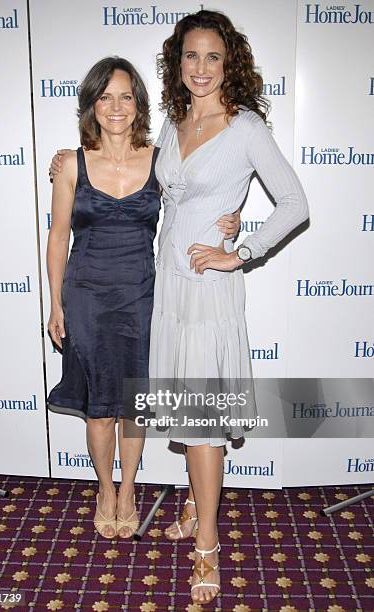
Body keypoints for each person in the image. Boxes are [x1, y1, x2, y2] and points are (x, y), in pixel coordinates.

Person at [148, 9, 309, 605]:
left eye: (213, 56)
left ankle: (208, 546)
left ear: (229, 62)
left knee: (202, 423)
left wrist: (241, 251)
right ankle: (194, 502)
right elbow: (163, 188)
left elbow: (294, 202)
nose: (201, 68)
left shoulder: (244, 129)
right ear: (178, 61)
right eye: (191, 55)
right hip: (169, 283)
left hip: (209, 291)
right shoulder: (172, 120)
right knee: (188, 414)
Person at [47, 56, 240, 542]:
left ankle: (129, 489)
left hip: (141, 296)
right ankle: (105, 489)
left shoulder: (161, 159)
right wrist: (54, 304)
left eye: (125, 96)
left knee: (132, 403)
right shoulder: (71, 163)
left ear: (139, 103)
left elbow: (202, 195)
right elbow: (57, 237)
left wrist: (232, 223)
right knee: (99, 407)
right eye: (105, 96)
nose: (116, 106)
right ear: (92, 104)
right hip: (85, 294)